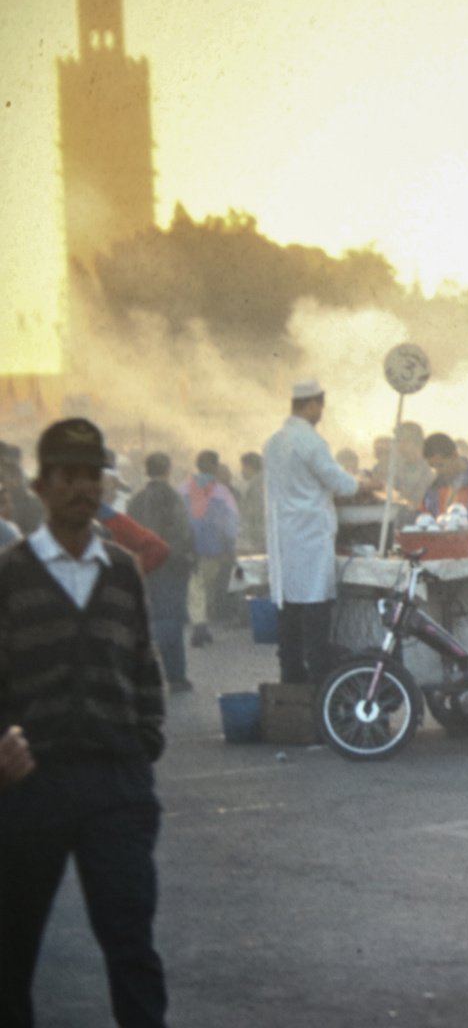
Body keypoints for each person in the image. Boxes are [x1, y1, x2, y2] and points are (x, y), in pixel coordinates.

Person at [0, 418, 170, 1028]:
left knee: (131, 946)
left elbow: (143, 663)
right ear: (41, 487)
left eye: (91, 476)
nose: (82, 488)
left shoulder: (122, 571)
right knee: (11, 956)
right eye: (68, 476)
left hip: (114, 785)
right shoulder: (10, 573)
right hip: (30, 789)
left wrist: (144, 740)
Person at [263, 380, 371, 686]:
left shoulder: (273, 442)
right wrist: (367, 484)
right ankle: (322, 691)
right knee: (315, 620)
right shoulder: (311, 441)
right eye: (320, 407)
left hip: (284, 541)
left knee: (289, 624)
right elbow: (342, 484)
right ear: (312, 406)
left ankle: (292, 688)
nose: (320, 413)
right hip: (310, 540)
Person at [129, 453, 197, 694]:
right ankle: (159, 668)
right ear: (168, 469)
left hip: (145, 567)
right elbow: (181, 534)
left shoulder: (135, 499)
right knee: (171, 621)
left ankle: (176, 676)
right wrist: (187, 560)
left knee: (158, 617)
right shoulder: (171, 497)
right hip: (170, 566)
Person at [181, 450, 238, 648]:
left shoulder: (183, 489)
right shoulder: (222, 492)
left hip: (187, 547)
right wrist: (231, 544)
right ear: (214, 466)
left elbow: (176, 518)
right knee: (207, 587)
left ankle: (200, 624)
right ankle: (201, 626)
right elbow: (231, 522)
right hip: (213, 548)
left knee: (195, 587)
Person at [0, 458, 45, 535]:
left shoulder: (32, 502)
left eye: (12, 477)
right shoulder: (4, 498)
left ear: (19, 477)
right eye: (3, 479)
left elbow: (37, 529)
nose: (8, 482)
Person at [235, 452, 266, 555]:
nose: (242, 471)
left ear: (248, 467)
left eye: (242, 467)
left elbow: (256, 516)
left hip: (259, 543)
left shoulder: (257, 487)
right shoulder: (262, 483)